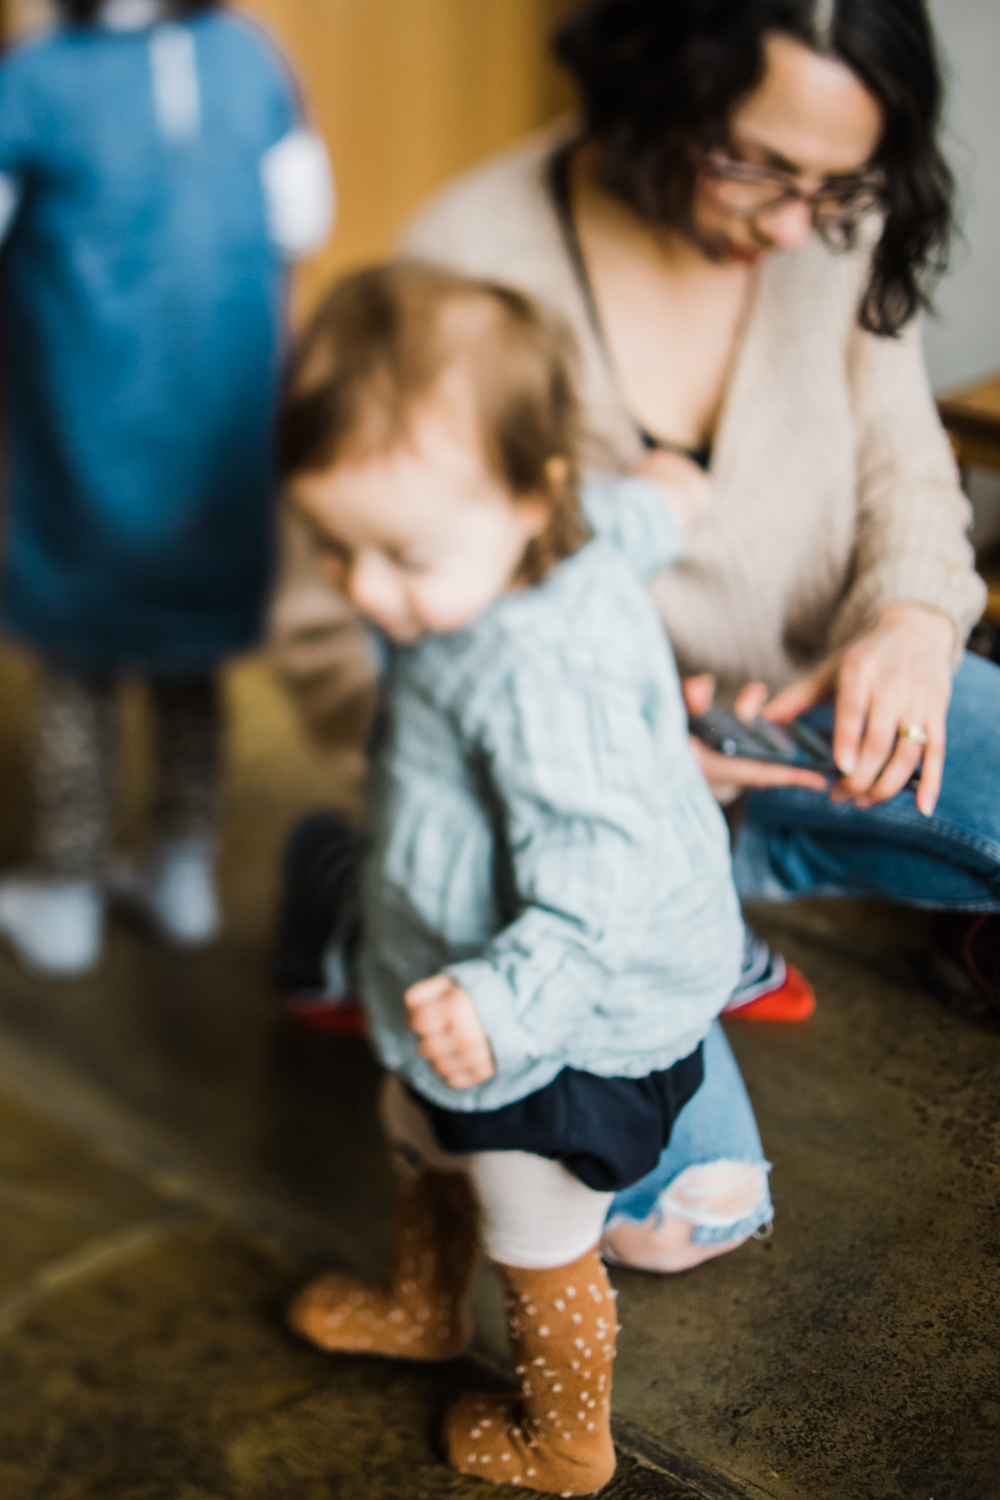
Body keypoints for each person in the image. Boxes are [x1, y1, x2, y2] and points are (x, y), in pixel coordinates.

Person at [273, 0, 1000, 1020]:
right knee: (633, 1147)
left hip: (801, 728)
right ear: (660, 87)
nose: (797, 225)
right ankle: (354, 895)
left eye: (836, 184)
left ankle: (720, 895)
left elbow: (905, 459)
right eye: (754, 165)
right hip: (567, 780)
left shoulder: (837, 220)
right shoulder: (473, 263)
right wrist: (627, 750)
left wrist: (913, 617)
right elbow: (331, 633)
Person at [279, 260, 770, 1494]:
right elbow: (637, 510)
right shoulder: (554, 523)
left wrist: (504, 1005)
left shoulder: (541, 678)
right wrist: (673, 492)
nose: (368, 592)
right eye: (335, 548)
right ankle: (419, 1308)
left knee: (535, 1226)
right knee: (413, 1125)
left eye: (403, 555)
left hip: (557, 1017)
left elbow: (595, 878)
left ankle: (566, 1440)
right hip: (451, 968)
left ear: (529, 493)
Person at [0, 0, 334, 975]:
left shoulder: (37, 77)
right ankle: (180, 871)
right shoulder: (248, 56)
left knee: (79, 661)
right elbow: (305, 217)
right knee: (191, 660)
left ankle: (66, 892)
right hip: (219, 420)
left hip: (84, 420)